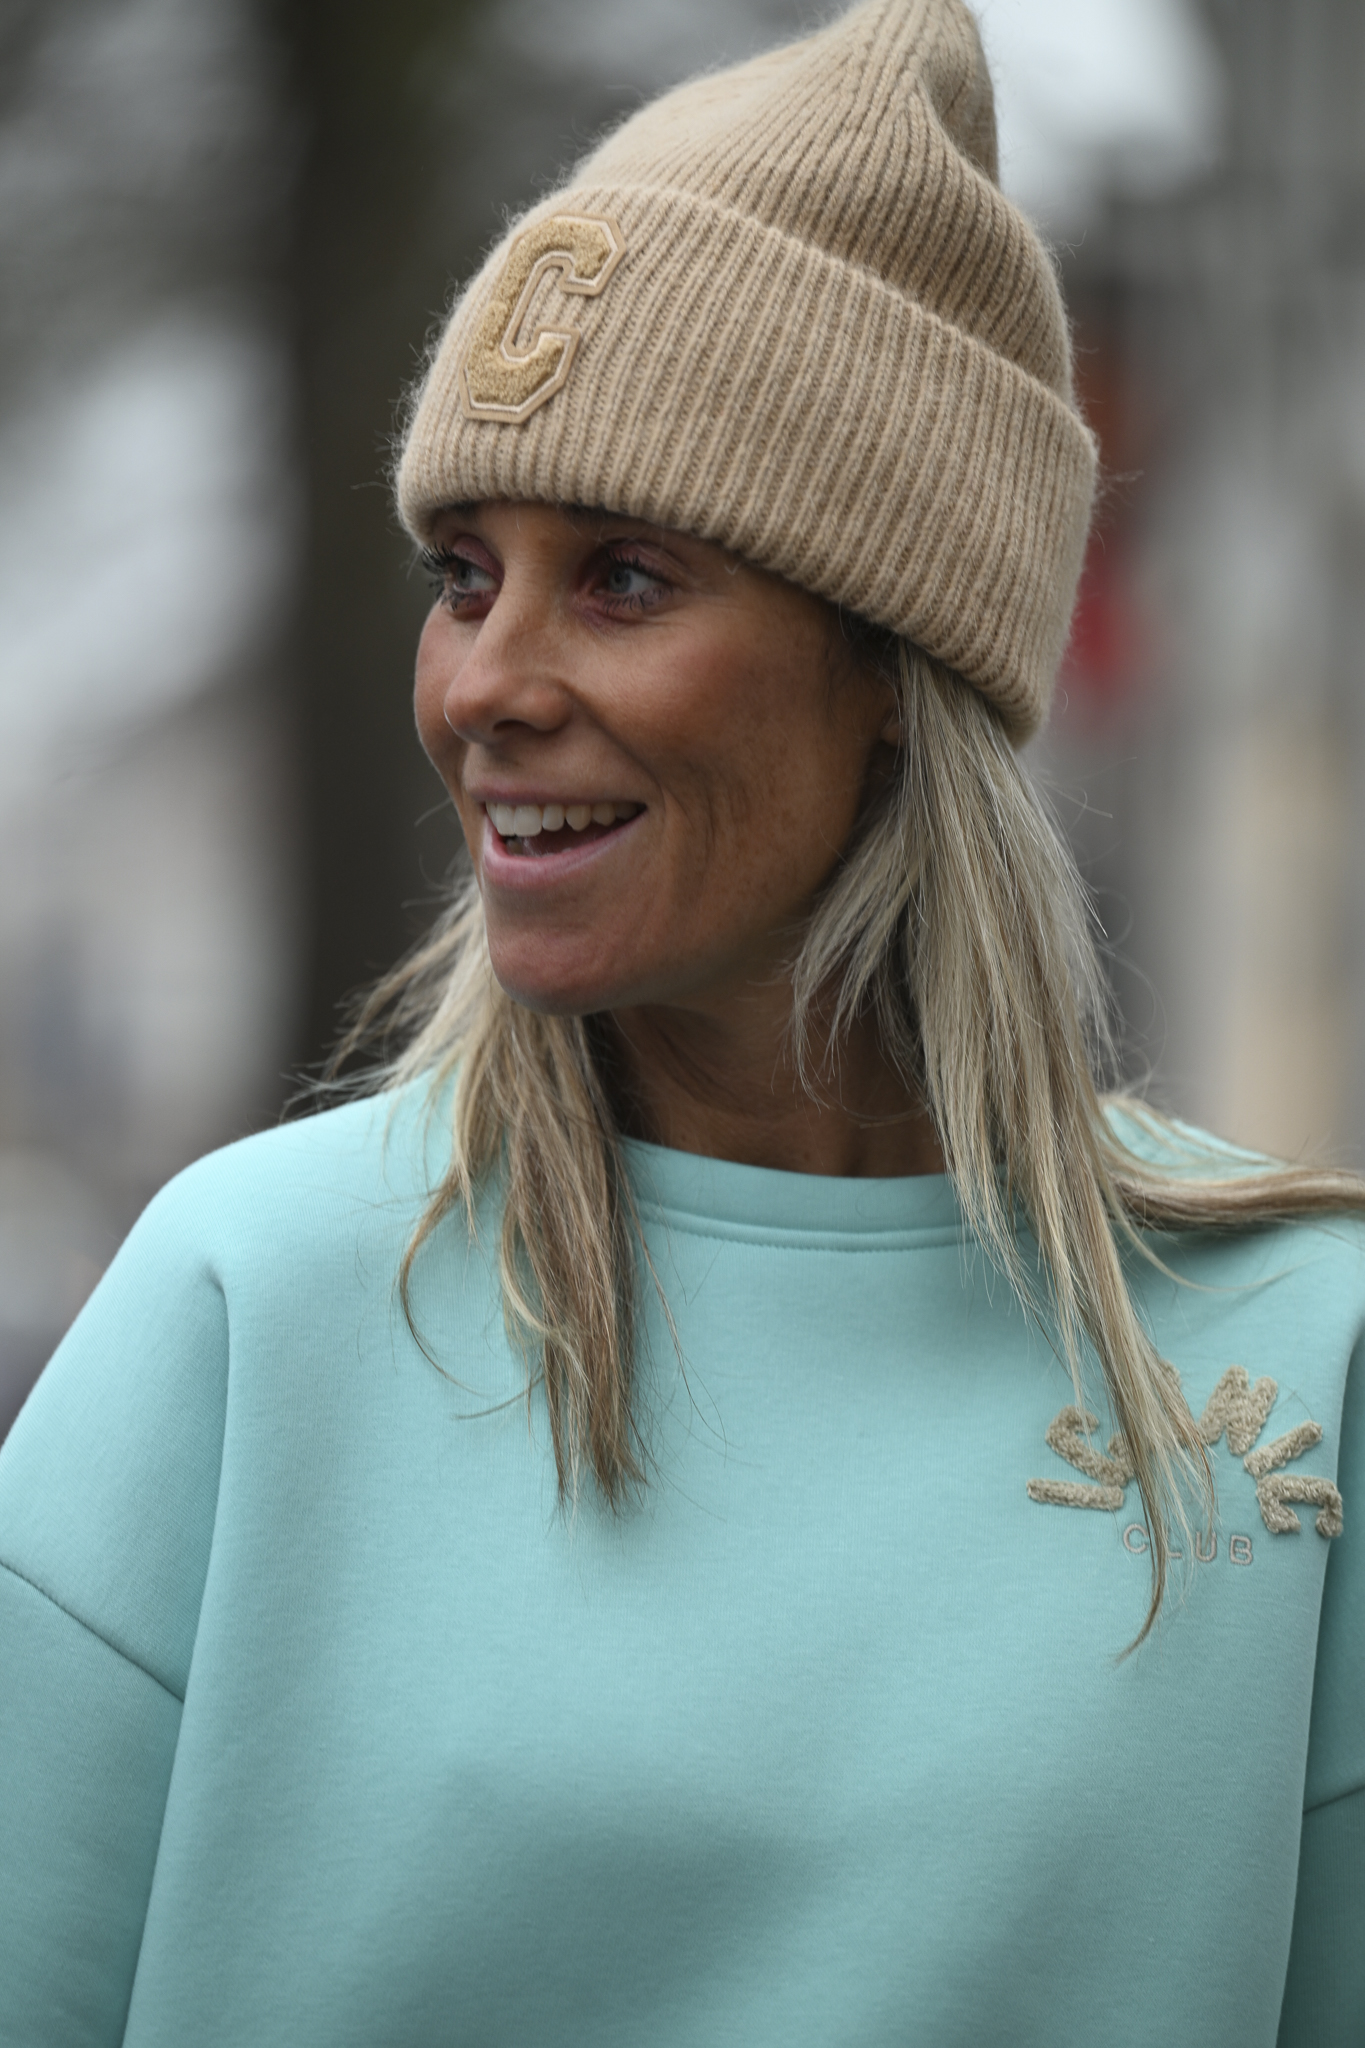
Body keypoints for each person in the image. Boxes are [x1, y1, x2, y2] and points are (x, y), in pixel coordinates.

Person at [2, 1, 1362, 2041]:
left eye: (624, 578)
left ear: (892, 670)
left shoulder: (1295, 1358)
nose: (485, 683)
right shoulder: (248, 1305)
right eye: (464, 572)